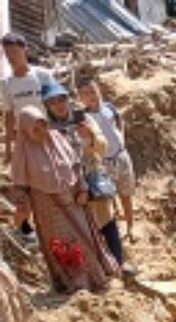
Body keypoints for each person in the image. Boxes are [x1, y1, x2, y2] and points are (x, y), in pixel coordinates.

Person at [9, 106, 118, 294]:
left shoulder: (58, 139)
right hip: (48, 209)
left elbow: (76, 165)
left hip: (75, 201)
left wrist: (83, 189)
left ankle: (97, 278)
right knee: (64, 245)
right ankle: (77, 284)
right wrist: (22, 206)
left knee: (85, 238)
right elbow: (19, 184)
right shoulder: (23, 150)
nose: (41, 131)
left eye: (43, 125)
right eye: (35, 128)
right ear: (25, 129)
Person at [77, 75, 136, 241]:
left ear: (99, 90)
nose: (91, 96)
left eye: (93, 91)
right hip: (103, 163)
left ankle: (130, 228)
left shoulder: (109, 107)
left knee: (127, 193)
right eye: (85, 93)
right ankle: (114, 232)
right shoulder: (84, 118)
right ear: (81, 98)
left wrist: (121, 138)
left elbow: (118, 120)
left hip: (122, 156)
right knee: (108, 198)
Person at [1, 31, 56, 166]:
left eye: (14, 51)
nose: (10, 56)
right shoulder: (6, 83)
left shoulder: (43, 75)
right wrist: (9, 148)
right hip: (24, 138)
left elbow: (57, 105)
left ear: (25, 50)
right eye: (7, 52)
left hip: (48, 134)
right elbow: (9, 117)